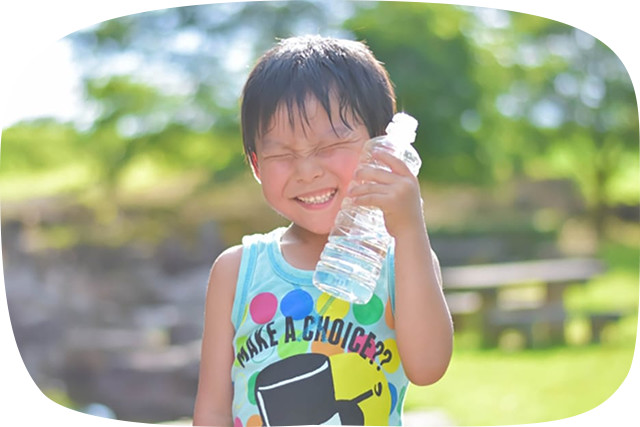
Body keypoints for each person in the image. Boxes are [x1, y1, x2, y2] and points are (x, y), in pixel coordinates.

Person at [193, 35, 453, 427]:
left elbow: (429, 367)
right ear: (256, 165)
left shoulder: (403, 260)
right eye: (281, 153)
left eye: (330, 144)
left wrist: (412, 231)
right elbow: (212, 409)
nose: (307, 170)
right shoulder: (236, 271)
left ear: (383, 146)